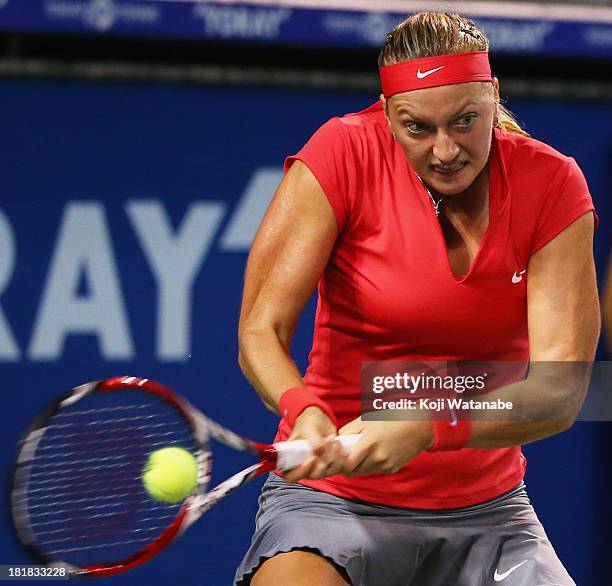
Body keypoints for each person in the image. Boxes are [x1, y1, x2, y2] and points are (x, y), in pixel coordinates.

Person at [235, 12, 600, 586]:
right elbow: (261, 330)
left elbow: (562, 390)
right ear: (387, 114)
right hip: (334, 502)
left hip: (491, 515)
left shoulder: (551, 184)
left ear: (493, 95)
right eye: (417, 129)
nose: (446, 150)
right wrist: (300, 407)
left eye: (465, 121)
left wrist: (431, 423)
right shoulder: (341, 152)